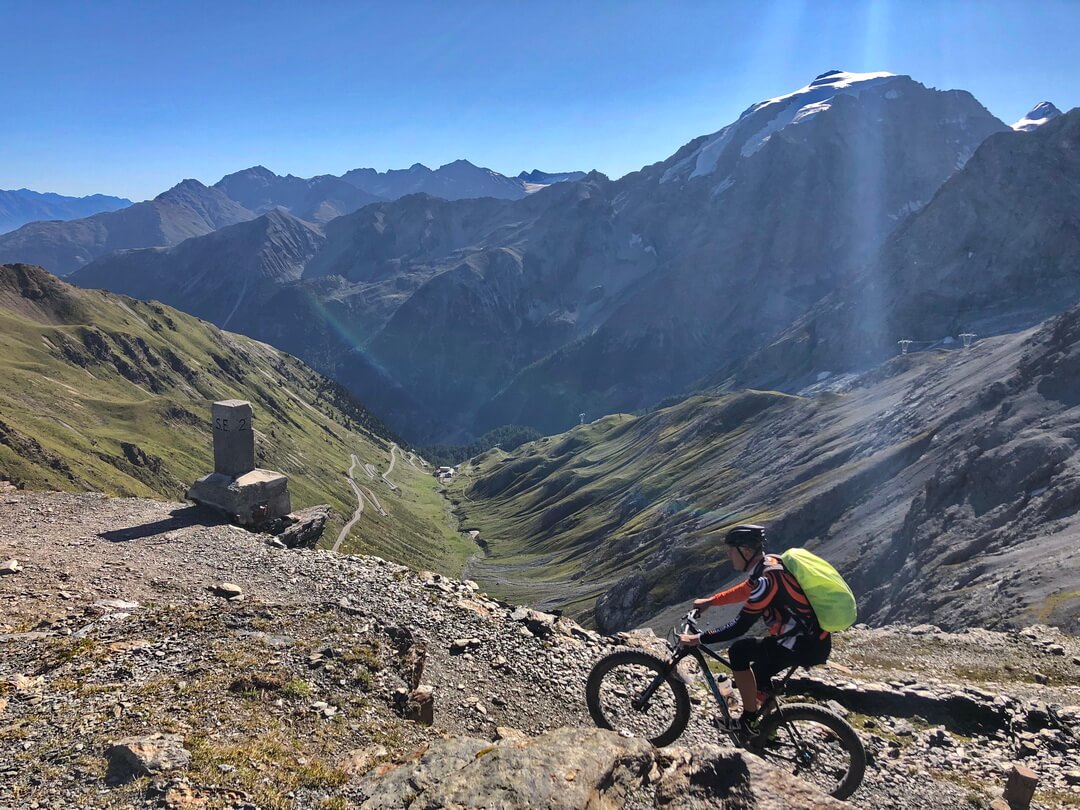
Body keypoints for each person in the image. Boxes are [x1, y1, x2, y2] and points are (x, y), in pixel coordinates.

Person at [679, 524, 832, 734]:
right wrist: (712, 601)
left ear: (747, 552)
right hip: (811, 640)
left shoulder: (766, 581)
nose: (728, 554)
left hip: (801, 645)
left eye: (732, 550)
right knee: (758, 676)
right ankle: (766, 731)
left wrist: (699, 638)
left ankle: (748, 721)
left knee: (739, 651)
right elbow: (745, 589)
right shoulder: (770, 564)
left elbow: (739, 626)